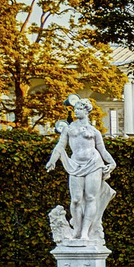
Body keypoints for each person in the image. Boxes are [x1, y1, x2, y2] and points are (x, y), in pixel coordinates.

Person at [46, 95, 118, 245]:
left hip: (94, 164)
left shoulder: (94, 131)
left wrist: (112, 163)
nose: (76, 112)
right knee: (76, 200)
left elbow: (103, 151)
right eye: (75, 109)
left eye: (79, 109)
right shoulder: (68, 129)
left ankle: (85, 232)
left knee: (91, 198)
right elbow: (60, 146)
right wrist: (52, 160)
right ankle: (77, 230)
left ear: (87, 111)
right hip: (75, 165)